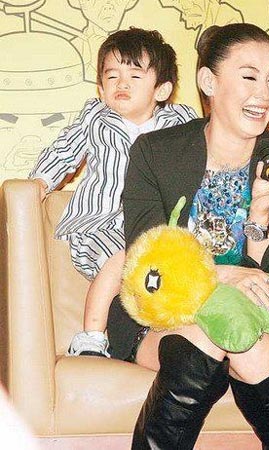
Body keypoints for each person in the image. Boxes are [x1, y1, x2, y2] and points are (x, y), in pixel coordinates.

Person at [108, 23, 269, 449]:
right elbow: (148, 257)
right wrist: (222, 276)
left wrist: (259, 216)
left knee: (241, 335)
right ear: (209, 82)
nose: (264, 93)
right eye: (249, 77)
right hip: (166, 312)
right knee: (211, 336)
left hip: (256, 312)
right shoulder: (155, 152)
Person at [29, 27, 197, 357]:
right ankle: (91, 335)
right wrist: (40, 182)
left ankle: (165, 335)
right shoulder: (95, 118)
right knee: (124, 256)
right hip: (99, 225)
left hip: (156, 228)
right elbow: (64, 150)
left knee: (173, 267)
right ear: (101, 89)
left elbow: (206, 158)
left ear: (162, 89)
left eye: (135, 75)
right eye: (112, 76)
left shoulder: (180, 123)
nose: (122, 83)